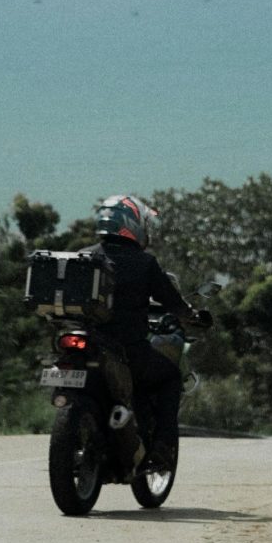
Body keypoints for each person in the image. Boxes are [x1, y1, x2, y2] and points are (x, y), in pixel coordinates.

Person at [89, 195, 210, 469]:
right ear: (133, 224)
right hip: (127, 349)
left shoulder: (86, 255)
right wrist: (191, 315)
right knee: (169, 377)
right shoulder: (144, 263)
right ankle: (163, 447)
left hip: (88, 343)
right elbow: (172, 302)